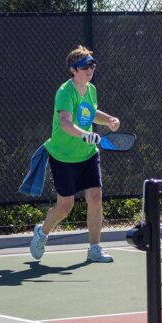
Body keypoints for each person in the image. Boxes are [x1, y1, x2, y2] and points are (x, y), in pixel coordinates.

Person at [29, 45, 120, 262]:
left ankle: (94, 248)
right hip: (63, 156)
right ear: (73, 69)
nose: (90, 69)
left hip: (88, 153)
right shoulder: (64, 92)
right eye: (85, 66)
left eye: (93, 65)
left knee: (96, 197)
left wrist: (108, 119)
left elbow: (89, 112)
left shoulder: (91, 90)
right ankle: (42, 233)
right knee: (65, 206)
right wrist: (84, 135)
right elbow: (65, 123)